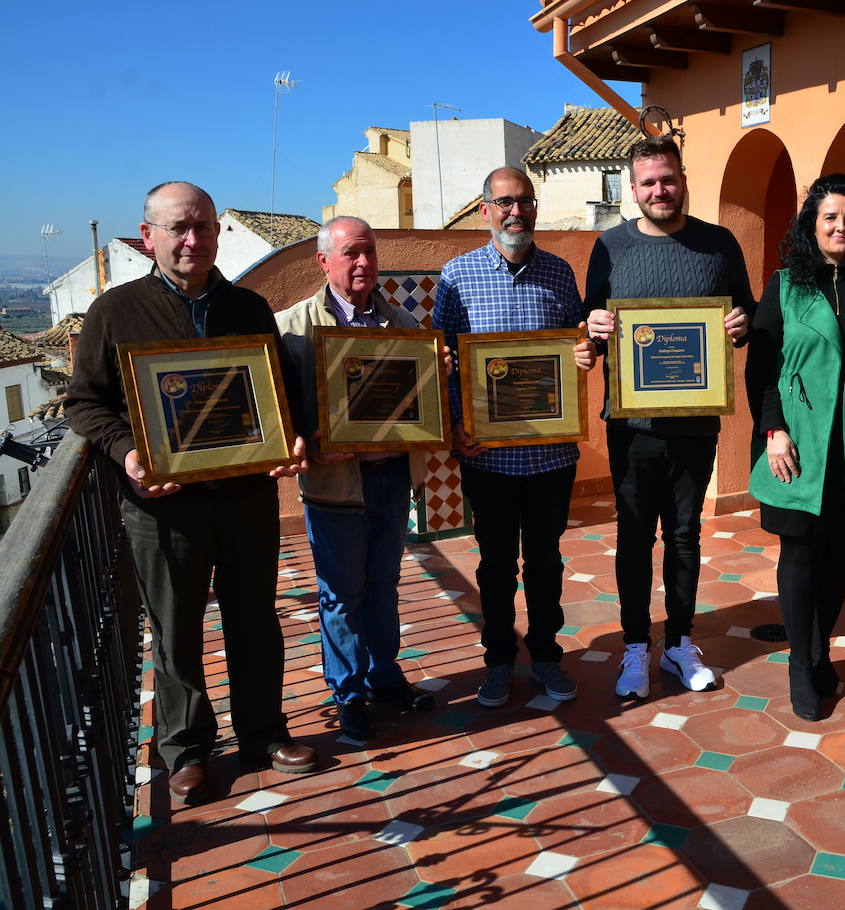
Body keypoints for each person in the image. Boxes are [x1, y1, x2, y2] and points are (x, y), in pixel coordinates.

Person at [65, 181, 316, 805]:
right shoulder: (113, 312)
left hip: (245, 497)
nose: (192, 239)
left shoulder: (250, 308)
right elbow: (83, 405)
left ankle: (264, 731)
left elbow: (277, 393)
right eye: (178, 228)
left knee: (256, 619)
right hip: (162, 505)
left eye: (203, 226)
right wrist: (128, 452)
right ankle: (186, 749)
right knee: (175, 629)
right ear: (148, 236)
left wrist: (292, 439)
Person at [584, 135, 753, 699]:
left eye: (668, 179)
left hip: (695, 422)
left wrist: (740, 326)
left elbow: (745, 310)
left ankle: (680, 642)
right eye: (648, 182)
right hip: (630, 427)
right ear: (632, 191)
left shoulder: (719, 243)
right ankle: (636, 645)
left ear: (683, 180)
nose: (660, 190)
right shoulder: (609, 247)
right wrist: (595, 328)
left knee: (684, 535)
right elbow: (591, 322)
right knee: (634, 536)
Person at [433, 167, 596, 709]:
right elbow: (445, 363)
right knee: (495, 564)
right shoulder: (456, 277)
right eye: (504, 202)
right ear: (485, 210)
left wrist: (582, 354)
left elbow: (576, 347)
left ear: (535, 207)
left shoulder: (559, 272)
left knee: (546, 561)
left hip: (551, 455)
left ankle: (547, 656)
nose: (516, 211)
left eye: (524, 201)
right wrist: (457, 426)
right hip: (490, 459)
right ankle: (498, 661)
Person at [745, 174, 845, 721]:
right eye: (830, 217)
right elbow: (761, 365)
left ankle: (820, 652)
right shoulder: (786, 285)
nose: (840, 227)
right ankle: (800, 664)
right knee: (800, 555)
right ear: (811, 224)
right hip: (798, 442)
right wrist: (774, 429)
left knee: (839, 554)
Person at [275, 216, 438, 743]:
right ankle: (348, 696)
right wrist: (305, 441)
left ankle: (385, 677)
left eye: (368, 251)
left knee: (383, 587)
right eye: (350, 253)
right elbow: (273, 410)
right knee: (341, 595)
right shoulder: (291, 329)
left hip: (390, 478)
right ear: (324, 262)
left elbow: (418, 405)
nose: (363, 262)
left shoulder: (405, 329)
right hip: (334, 485)